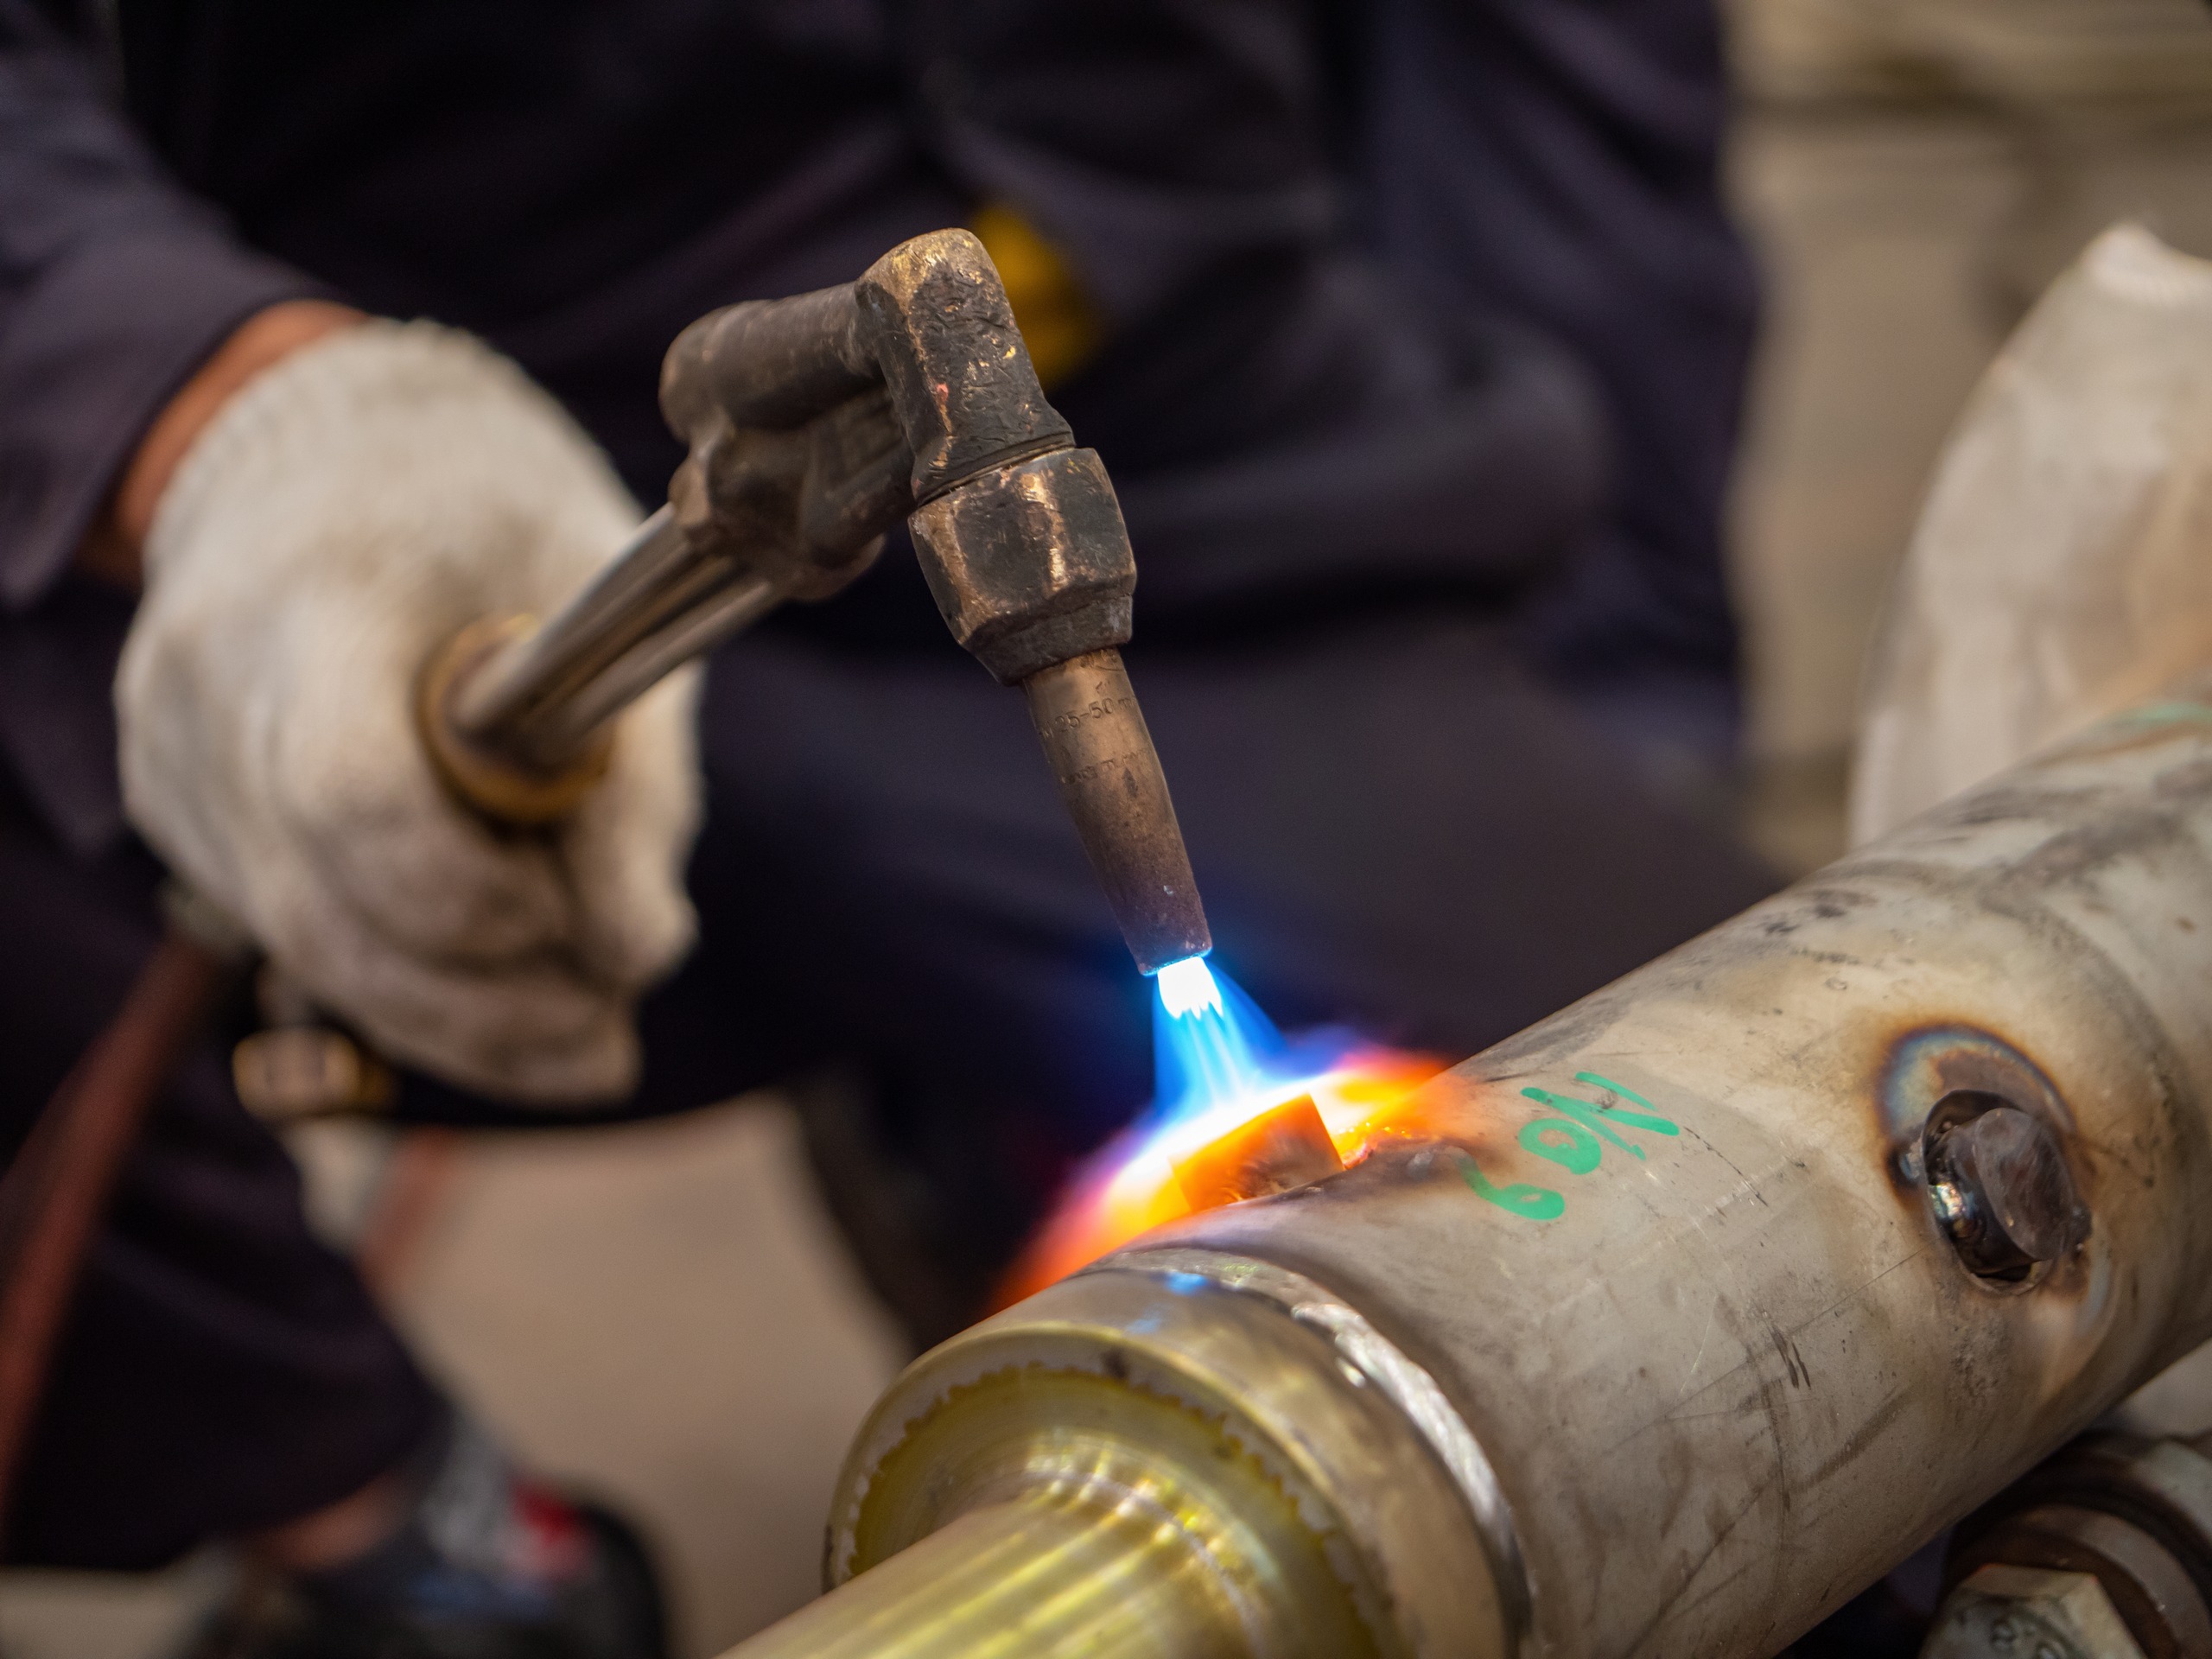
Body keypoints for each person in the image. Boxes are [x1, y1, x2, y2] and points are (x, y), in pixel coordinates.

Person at [0, 2, 1775, 1653]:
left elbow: (1562, 93)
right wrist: (216, 407)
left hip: (1228, 545)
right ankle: (391, 1532)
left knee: (1738, 1297)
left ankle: (969, 1114)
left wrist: (1629, 711)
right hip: (470, 556)